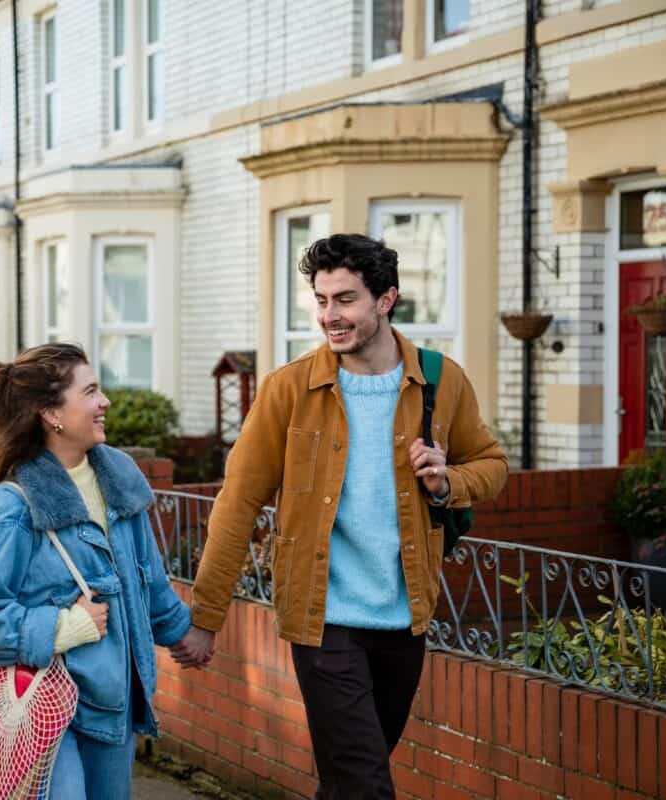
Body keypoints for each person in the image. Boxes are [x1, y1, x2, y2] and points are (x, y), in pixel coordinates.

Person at [176, 234, 509, 799]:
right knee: (367, 784)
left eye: (346, 299)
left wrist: (449, 480)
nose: (330, 315)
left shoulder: (440, 380)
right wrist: (207, 615)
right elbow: (237, 505)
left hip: (406, 619)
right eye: (322, 300)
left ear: (386, 299)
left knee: (351, 777)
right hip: (323, 620)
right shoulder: (290, 389)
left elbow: (492, 464)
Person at [0, 342, 208, 800]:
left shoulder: (119, 476)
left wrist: (183, 631)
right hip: (43, 706)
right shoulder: (11, 506)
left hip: (114, 703)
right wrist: (64, 627)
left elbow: (147, 574)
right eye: (90, 392)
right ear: (52, 413)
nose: (104, 402)